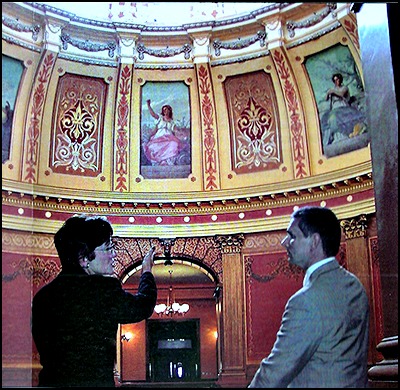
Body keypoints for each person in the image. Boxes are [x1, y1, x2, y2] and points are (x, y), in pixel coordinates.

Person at [248, 206, 369, 388]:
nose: (285, 242)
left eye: (293, 236)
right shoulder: (355, 286)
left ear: (314, 241)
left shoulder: (305, 301)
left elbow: (275, 372)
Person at [31, 214, 157, 387]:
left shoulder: (42, 297)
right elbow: (143, 306)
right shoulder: (102, 291)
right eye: (108, 248)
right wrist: (147, 271)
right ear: (83, 258)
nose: (114, 254)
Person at [322, 72, 367, 146]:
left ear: (340, 80)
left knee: (342, 117)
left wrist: (332, 91)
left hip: (342, 105)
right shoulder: (333, 90)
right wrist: (328, 94)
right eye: (335, 80)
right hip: (335, 106)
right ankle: (332, 137)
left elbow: (341, 94)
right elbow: (327, 99)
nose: (336, 82)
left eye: (337, 79)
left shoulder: (344, 88)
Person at [143, 99, 183, 166]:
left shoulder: (172, 122)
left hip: (169, 137)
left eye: (167, 109)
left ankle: (166, 161)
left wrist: (180, 133)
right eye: (164, 110)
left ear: (169, 111)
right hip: (159, 137)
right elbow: (153, 114)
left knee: (173, 144)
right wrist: (148, 105)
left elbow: (175, 130)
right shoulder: (160, 118)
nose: (165, 111)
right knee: (154, 146)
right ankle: (160, 161)